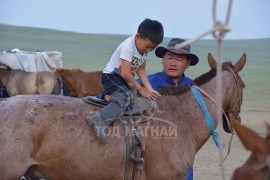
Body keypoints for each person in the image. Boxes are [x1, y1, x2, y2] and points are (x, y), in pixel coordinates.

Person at [86, 18, 164, 145]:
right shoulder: (128, 46)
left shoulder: (144, 51)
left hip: (124, 79)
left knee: (133, 100)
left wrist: (150, 89)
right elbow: (125, 73)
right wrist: (140, 89)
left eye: (153, 48)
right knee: (127, 96)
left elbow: (142, 70)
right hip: (112, 76)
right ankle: (99, 121)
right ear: (138, 36)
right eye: (148, 46)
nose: (149, 50)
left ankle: (110, 99)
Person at [137, 38, 199, 180]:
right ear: (162, 59)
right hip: (150, 158)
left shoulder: (194, 90)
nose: (173, 63)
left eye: (179, 59)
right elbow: (120, 92)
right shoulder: (147, 84)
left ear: (188, 64)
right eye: (169, 57)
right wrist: (106, 95)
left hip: (182, 158)